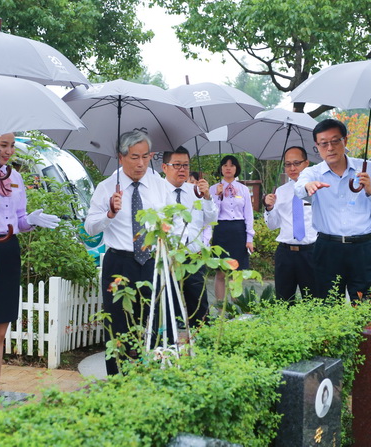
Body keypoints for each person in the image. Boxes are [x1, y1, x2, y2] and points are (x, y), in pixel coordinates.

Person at [0, 133, 60, 404]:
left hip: (9, 249)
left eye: (12, 145)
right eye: (3, 145)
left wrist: (31, 220)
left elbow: (19, 220)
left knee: (0, 329)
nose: (9, 151)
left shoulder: (16, 177)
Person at [84, 129, 168, 375]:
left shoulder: (159, 185)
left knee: (150, 322)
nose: (140, 163)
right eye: (134, 157)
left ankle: (146, 376)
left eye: (145, 156)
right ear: (120, 157)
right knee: (117, 323)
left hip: (151, 261)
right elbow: (90, 227)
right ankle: (117, 380)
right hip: (119, 263)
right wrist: (109, 213)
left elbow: (168, 222)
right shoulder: (106, 187)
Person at [295, 119, 371, 301]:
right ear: (317, 146)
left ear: (345, 141)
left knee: (367, 304)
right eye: (323, 143)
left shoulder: (369, 169)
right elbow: (300, 188)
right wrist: (308, 186)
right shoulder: (313, 173)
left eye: (335, 141)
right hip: (327, 249)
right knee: (326, 306)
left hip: (363, 249)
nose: (330, 148)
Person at [161, 147, 217, 326]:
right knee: (171, 311)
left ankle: (203, 346)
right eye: (177, 165)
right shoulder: (156, 191)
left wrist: (207, 197)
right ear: (165, 167)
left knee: (199, 309)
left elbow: (211, 219)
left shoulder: (195, 191)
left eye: (185, 165)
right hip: (168, 259)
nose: (182, 170)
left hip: (194, 258)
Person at [264, 146, 318, 301]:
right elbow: (272, 225)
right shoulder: (279, 192)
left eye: (296, 163)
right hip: (285, 254)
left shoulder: (316, 189)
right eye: (288, 164)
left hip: (311, 253)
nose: (292, 168)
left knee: (314, 301)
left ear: (306, 163)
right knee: (284, 301)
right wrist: (269, 207)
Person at [209, 155, 254, 302]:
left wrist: (249, 238)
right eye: (225, 165)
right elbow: (211, 215)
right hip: (221, 230)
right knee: (221, 273)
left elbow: (249, 214)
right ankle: (220, 307)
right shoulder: (213, 189)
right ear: (221, 168)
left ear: (236, 168)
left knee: (236, 273)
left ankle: (236, 310)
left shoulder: (243, 189)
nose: (228, 168)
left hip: (239, 231)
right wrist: (218, 196)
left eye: (232, 165)